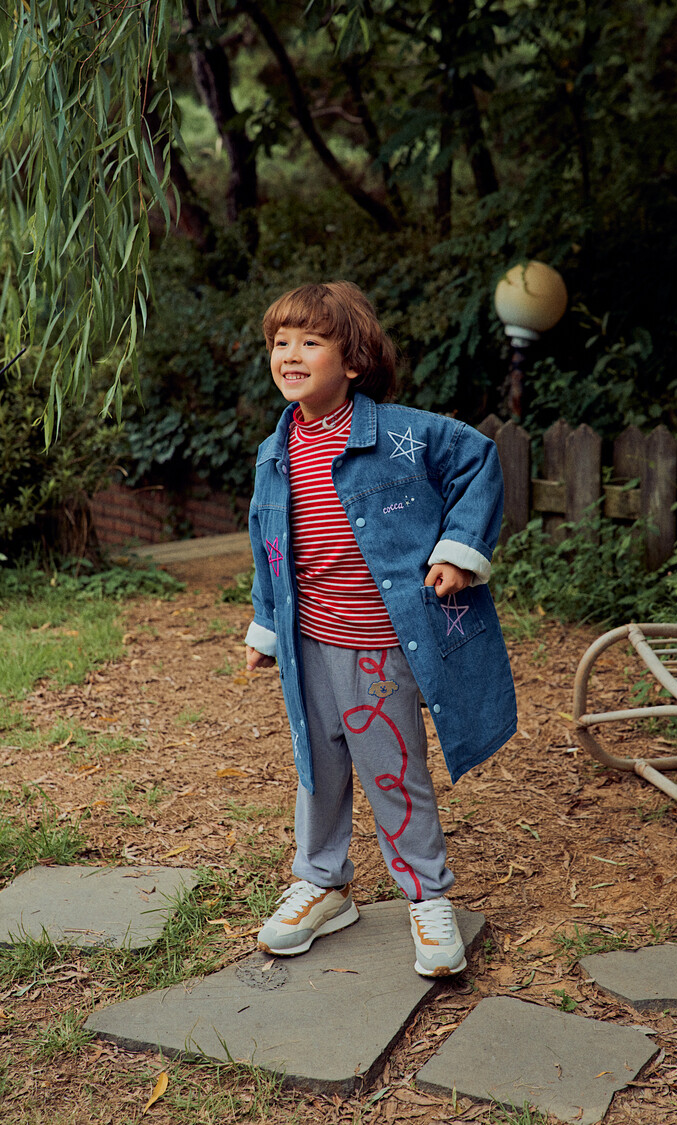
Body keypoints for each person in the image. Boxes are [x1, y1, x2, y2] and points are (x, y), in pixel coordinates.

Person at [245, 280, 516, 977]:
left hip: (378, 648)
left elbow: (480, 459)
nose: (290, 354)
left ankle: (427, 894)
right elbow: (267, 544)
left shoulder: (401, 434)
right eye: (280, 342)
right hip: (308, 644)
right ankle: (324, 883)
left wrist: (458, 551)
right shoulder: (274, 451)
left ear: (353, 360)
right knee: (317, 766)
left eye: (310, 341)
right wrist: (267, 624)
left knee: (392, 769)